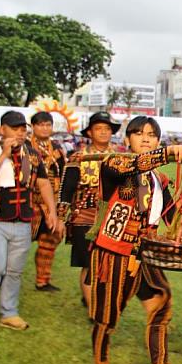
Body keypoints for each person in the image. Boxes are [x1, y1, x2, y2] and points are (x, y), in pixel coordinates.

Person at [88, 116, 182, 364]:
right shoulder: (115, 164)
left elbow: (172, 214)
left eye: (152, 135)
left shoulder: (159, 178)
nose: (146, 138)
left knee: (162, 304)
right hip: (114, 252)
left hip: (145, 254)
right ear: (127, 140)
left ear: (158, 140)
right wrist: (168, 154)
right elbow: (134, 164)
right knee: (108, 315)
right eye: (139, 133)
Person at [0, 111, 62, 330]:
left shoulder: (32, 155)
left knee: (14, 271)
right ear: (2, 130)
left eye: (23, 129)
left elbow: (43, 183)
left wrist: (52, 211)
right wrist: (3, 155)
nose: (20, 132)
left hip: (22, 220)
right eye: (14, 128)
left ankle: (9, 312)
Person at [57, 112, 119, 308]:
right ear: (90, 132)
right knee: (88, 262)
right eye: (99, 128)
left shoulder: (120, 157)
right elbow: (67, 189)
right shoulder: (79, 156)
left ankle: (97, 300)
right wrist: (60, 217)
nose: (103, 132)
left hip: (113, 216)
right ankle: (94, 309)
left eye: (107, 128)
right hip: (84, 215)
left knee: (107, 261)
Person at [29, 112, 66, 291]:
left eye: (48, 125)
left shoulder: (57, 149)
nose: (45, 128)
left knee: (49, 242)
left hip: (51, 204)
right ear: (33, 127)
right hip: (29, 202)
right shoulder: (25, 147)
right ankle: (3, 276)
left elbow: (64, 174)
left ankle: (42, 280)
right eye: (41, 125)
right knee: (16, 244)